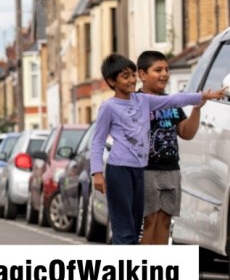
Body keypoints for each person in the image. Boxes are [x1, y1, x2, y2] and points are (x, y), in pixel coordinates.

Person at [90, 53, 225, 245]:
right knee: (131, 227)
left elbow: (175, 102)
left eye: (131, 75)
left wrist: (201, 99)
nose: (131, 80)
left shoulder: (144, 101)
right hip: (128, 169)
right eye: (125, 76)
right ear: (112, 81)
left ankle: (153, 268)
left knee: (145, 225)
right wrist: (97, 172)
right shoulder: (110, 106)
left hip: (151, 169)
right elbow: (97, 141)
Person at [136, 51, 203, 244]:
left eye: (166, 69)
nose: (164, 74)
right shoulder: (135, 102)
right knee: (149, 221)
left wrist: (196, 110)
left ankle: (161, 267)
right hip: (146, 171)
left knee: (165, 221)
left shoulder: (172, 104)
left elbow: (186, 132)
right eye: (158, 70)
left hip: (171, 170)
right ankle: (146, 269)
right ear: (142, 75)